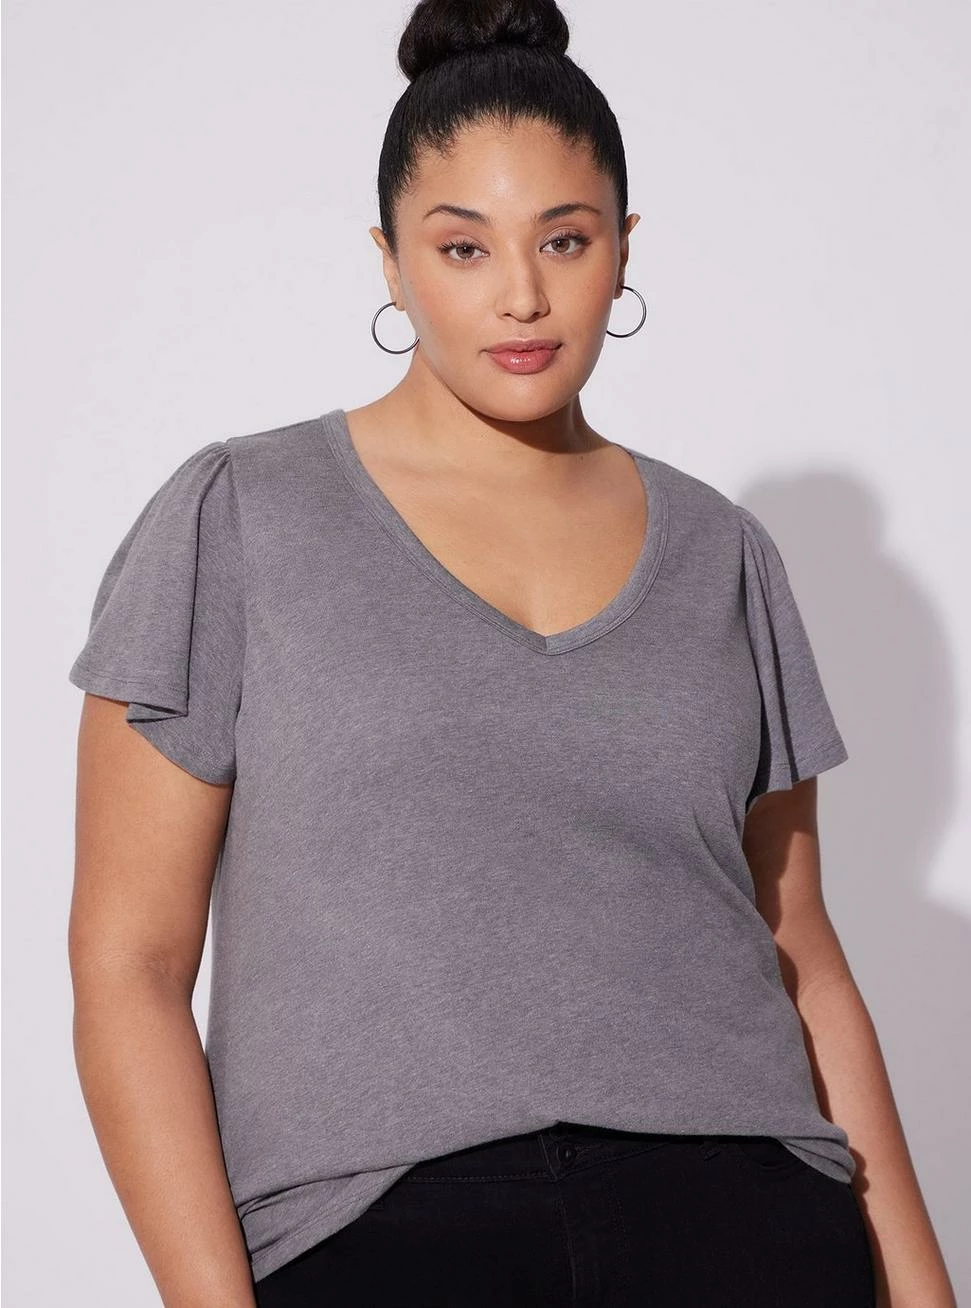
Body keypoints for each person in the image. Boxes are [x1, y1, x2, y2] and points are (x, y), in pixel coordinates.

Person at [66, 0, 957, 1304]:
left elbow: (799, 947)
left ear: (624, 246)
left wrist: (922, 1290)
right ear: (390, 262)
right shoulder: (239, 518)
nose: (522, 294)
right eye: (462, 247)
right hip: (376, 1236)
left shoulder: (723, 553)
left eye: (564, 239)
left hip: (749, 1226)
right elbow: (129, 967)